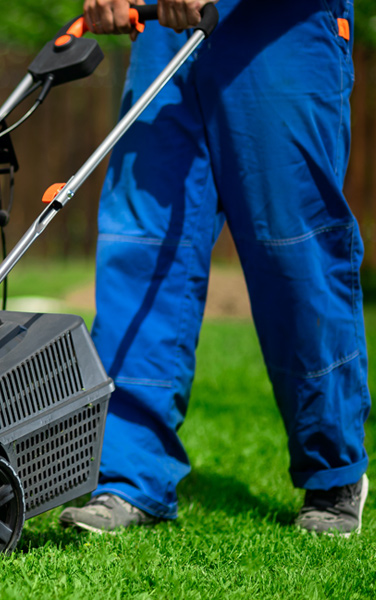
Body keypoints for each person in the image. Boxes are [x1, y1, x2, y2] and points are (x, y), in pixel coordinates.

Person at [58, 0, 370, 536]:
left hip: (281, 24)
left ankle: (332, 472)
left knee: (293, 248)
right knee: (144, 245)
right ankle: (129, 476)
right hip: (165, 29)